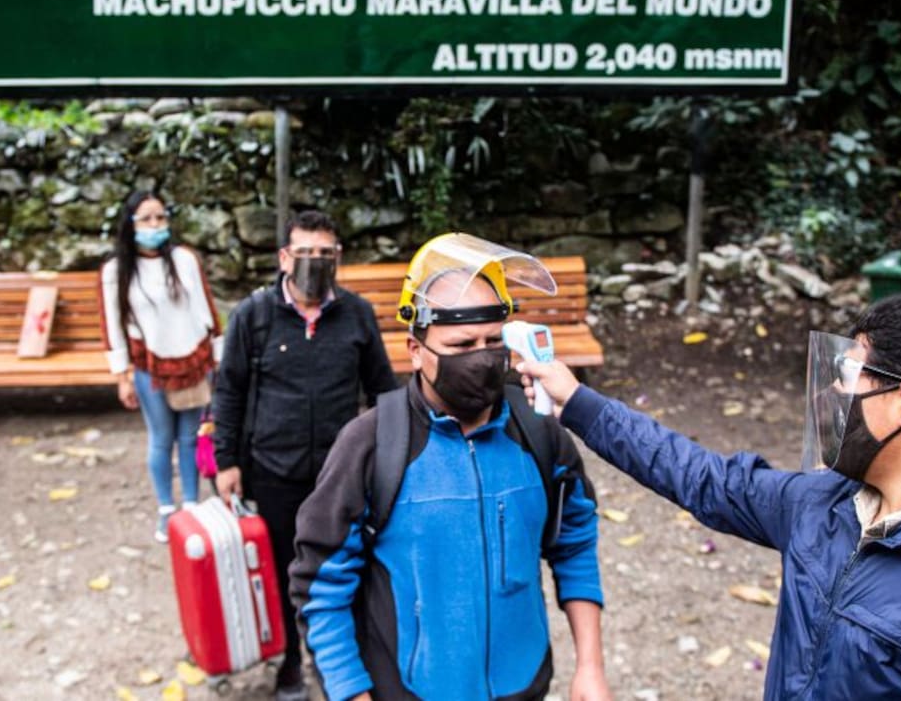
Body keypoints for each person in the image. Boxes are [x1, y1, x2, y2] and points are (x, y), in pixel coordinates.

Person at [519, 289, 901, 699]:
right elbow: (704, 479)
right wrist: (578, 404)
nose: (832, 390)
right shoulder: (829, 503)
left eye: (849, 375)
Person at [288, 234, 609, 701]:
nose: (481, 357)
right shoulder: (370, 445)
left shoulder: (540, 433)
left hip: (525, 686)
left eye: (493, 341)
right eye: (461, 344)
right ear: (415, 349)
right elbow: (321, 587)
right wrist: (351, 692)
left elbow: (575, 542)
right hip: (409, 690)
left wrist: (591, 667)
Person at [211, 209, 396, 701]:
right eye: (305, 253)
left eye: (325, 254)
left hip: (343, 475)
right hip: (273, 470)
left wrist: (399, 452)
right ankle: (291, 665)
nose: (315, 262)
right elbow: (228, 390)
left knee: (347, 569)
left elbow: (382, 388)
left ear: (338, 257)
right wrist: (226, 460)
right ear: (283, 258)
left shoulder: (356, 314)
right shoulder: (253, 315)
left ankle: (339, 664)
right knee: (283, 571)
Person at [100, 190, 223, 543]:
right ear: (131, 224)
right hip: (148, 365)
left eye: (160, 217)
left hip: (194, 361)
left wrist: (216, 356)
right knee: (160, 438)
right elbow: (113, 324)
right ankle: (166, 508)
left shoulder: (184, 260)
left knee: (190, 437)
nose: (155, 225)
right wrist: (122, 375)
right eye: (146, 219)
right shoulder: (116, 270)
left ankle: (190, 504)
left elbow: (206, 309)